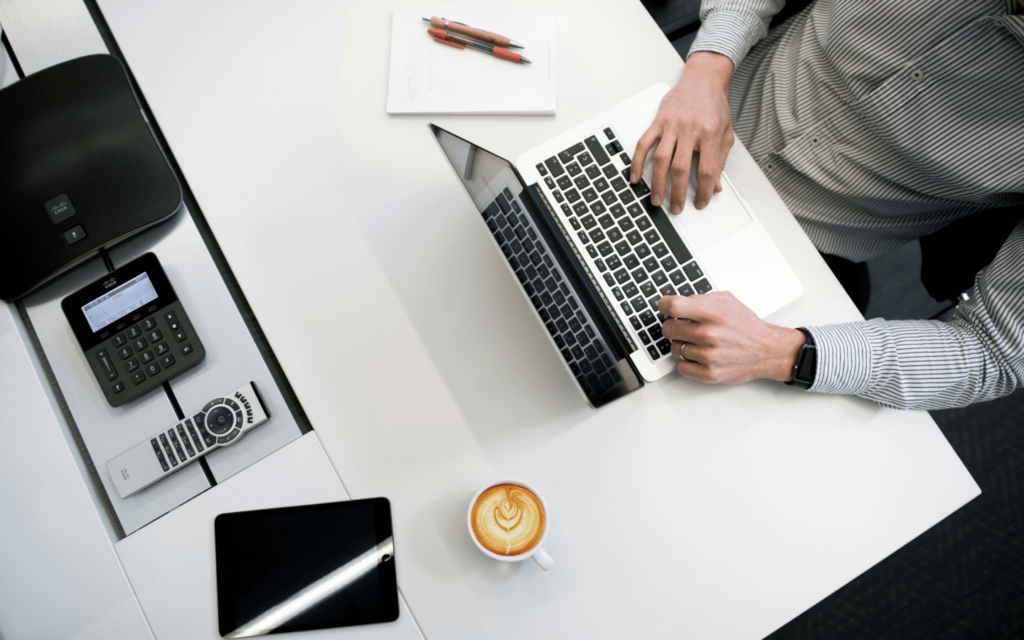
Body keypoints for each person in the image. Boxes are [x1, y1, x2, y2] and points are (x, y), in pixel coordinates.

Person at [634, 0, 1024, 409]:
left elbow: (992, 352)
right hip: (684, 103)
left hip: (794, 251)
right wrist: (708, 68)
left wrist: (781, 352)